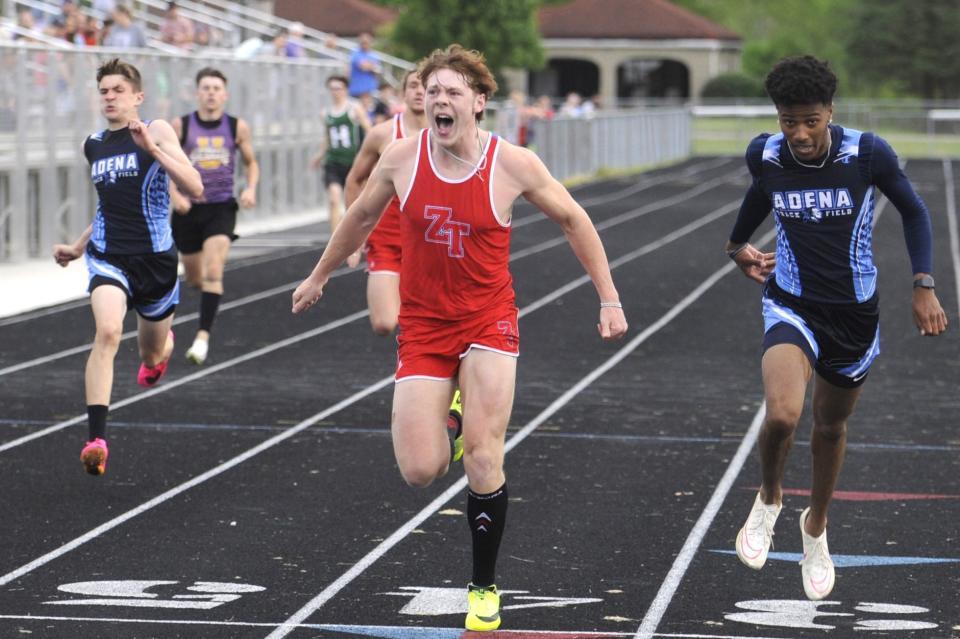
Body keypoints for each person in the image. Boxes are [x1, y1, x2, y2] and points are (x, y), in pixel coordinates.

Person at [292, 44, 627, 631]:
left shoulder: (511, 163)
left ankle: (483, 586)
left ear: (478, 102)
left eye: (452, 92)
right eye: (433, 91)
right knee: (419, 469)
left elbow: (574, 219)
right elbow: (362, 217)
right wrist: (320, 274)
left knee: (482, 456)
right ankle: (449, 414)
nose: (440, 101)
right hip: (423, 326)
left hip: (487, 320)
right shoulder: (401, 158)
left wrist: (609, 297)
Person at [727, 55, 947, 600]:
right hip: (792, 304)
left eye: (811, 121)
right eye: (788, 121)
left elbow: (915, 211)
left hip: (852, 314)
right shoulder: (767, 152)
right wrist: (737, 245)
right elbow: (763, 190)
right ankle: (770, 498)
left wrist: (923, 283)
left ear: (830, 111)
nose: (799, 135)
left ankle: (816, 528)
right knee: (782, 412)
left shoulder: (866, 153)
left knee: (829, 428)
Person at [52, 58, 203, 476]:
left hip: (155, 261)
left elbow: (194, 186)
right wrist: (79, 248)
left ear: (138, 96)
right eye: (104, 91)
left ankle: (161, 351)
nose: (110, 97)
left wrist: (151, 150)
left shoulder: (156, 131)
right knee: (108, 331)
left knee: (151, 350)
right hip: (109, 257)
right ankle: (96, 439)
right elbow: (109, 206)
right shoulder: (94, 144)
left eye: (118, 90)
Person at [170, 68, 259, 365]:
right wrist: (175, 195)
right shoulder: (181, 126)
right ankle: (209, 295)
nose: (210, 93)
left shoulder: (236, 127)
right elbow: (162, 165)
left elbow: (251, 162)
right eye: (205, 87)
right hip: (188, 210)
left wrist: (251, 188)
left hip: (221, 207)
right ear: (197, 93)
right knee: (196, 277)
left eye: (216, 88)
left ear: (225, 94)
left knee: (212, 272)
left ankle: (201, 339)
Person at [343, 68, 426, 337]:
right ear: (403, 93)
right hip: (387, 237)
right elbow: (354, 180)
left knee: (429, 322)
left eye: (426, 86)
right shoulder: (382, 134)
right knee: (384, 323)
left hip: (431, 240)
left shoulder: (448, 136)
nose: (419, 91)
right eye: (413, 85)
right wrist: (353, 237)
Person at [309, 75, 371, 268]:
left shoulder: (354, 109)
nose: (335, 91)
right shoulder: (325, 113)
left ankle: (357, 237)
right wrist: (319, 155)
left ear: (345, 89)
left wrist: (371, 154)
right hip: (333, 162)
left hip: (352, 163)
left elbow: (370, 131)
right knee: (334, 199)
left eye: (339, 88)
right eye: (332, 88)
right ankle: (337, 242)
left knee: (354, 203)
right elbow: (328, 137)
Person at [348, 32, 381, 98]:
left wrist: (370, 66)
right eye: (363, 42)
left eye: (366, 42)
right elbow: (363, 67)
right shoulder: (355, 53)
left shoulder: (375, 55)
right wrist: (372, 66)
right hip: (356, 90)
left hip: (370, 90)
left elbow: (377, 71)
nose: (364, 44)